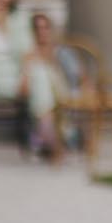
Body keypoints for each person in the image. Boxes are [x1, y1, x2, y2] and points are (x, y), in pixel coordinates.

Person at [19, 11, 75, 162]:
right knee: (40, 76)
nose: (42, 32)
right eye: (37, 28)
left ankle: (48, 139)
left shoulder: (62, 53)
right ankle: (53, 140)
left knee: (45, 76)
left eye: (45, 27)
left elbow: (79, 77)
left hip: (63, 100)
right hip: (40, 107)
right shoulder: (29, 56)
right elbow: (23, 90)